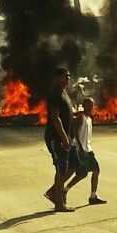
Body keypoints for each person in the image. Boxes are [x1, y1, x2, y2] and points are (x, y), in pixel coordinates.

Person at [43, 66, 75, 213]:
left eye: (69, 76)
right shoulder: (54, 94)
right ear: (57, 77)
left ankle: (53, 192)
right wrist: (64, 138)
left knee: (74, 165)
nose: (68, 78)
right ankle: (59, 203)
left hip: (67, 137)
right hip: (57, 138)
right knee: (61, 170)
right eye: (65, 76)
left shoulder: (64, 92)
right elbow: (56, 119)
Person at [64, 97, 106, 205]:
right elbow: (76, 133)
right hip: (81, 150)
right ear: (84, 105)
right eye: (88, 105)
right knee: (82, 174)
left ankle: (93, 196)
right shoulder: (81, 117)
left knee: (95, 170)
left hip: (88, 149)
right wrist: (81, 148)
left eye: (92, 105)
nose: (90, 107)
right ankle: (63, 190)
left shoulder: (89, 118)